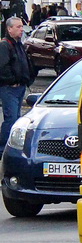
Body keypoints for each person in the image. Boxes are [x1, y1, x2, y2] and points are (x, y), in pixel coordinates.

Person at [0, 17, 36, 146]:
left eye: (22, 26)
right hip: (9, 88)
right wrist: (13, 80)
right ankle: (3, 147)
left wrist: (28, 78)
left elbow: (25, 63)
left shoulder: (19, 44)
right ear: (9, 29)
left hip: (20, 87)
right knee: (11, 119)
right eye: (18, 27)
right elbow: (3, 67)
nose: (21, 29)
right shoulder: (5, 45)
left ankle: (11, 145)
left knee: (16, 118)